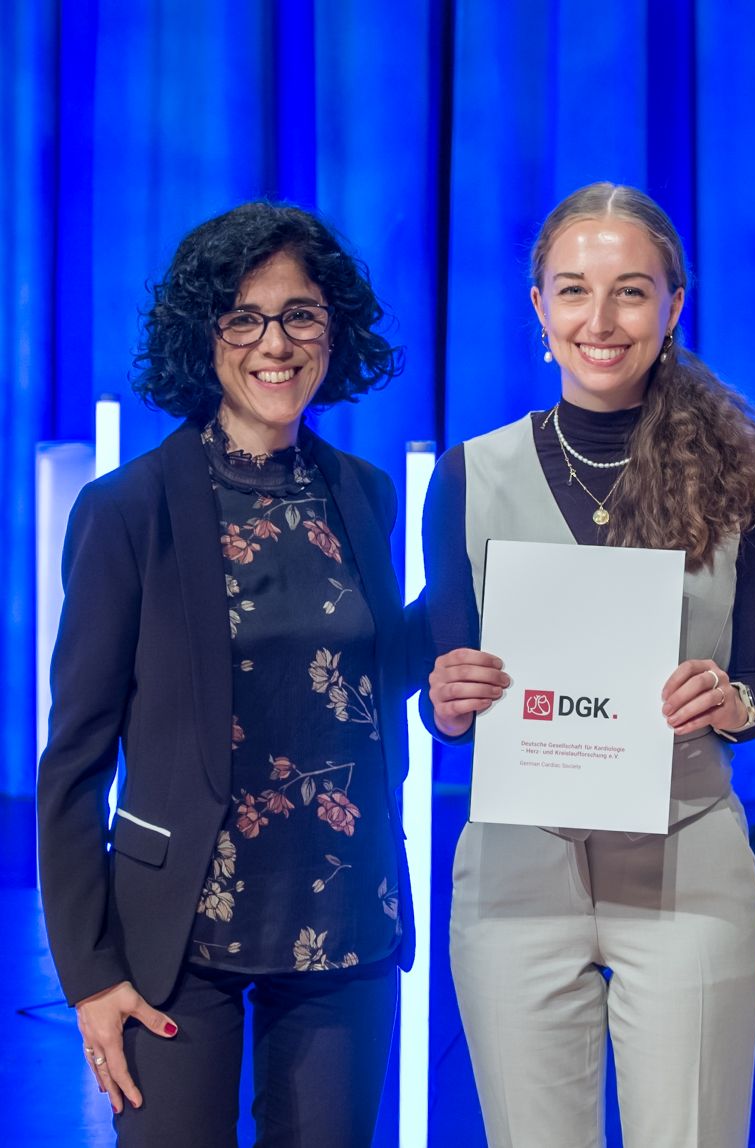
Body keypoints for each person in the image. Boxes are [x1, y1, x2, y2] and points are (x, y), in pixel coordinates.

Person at [37, 201, 420, 1147]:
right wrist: (88, 972)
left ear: (335, 331)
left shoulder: (368, 498)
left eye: (300, 315)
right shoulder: (127, 512)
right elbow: (75, 758)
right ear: (202, 336)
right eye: (243, 317)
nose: (274, 343)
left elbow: (367, 681)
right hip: (176, 940)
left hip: (341, 915)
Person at [422, 182, 755, 1147]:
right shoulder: (468, 475)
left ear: (674, 305)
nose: (601, 318)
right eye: (572, 289)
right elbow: (443, 689)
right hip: (516, 864)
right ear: (538, 307)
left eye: (631, 291)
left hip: (688, 853)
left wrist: (731, 701)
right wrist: (447, 700)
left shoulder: (747, 477)